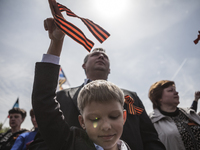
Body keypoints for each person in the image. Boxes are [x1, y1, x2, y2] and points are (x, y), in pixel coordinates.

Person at [29, 0, 166, 150]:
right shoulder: (62, 96)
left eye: (114, 116)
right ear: (84, 65)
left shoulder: (131, 97)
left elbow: (150, 137)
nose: (106, 126)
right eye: (95, 54)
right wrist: (56, 42)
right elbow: (45, 132)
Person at [33, 78, 131, 149]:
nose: (106, 126)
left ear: (123, 117)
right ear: (82, 122)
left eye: (113, 117)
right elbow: (44, 103)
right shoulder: (72, 144)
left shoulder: (125, 147)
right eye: (94, 119)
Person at [148, 80, 200, 150]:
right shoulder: (151, 121)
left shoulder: (190, 113)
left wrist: (196, 99)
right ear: (159, 98)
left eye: (175, 90)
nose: (176, 92)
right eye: (170, 90)